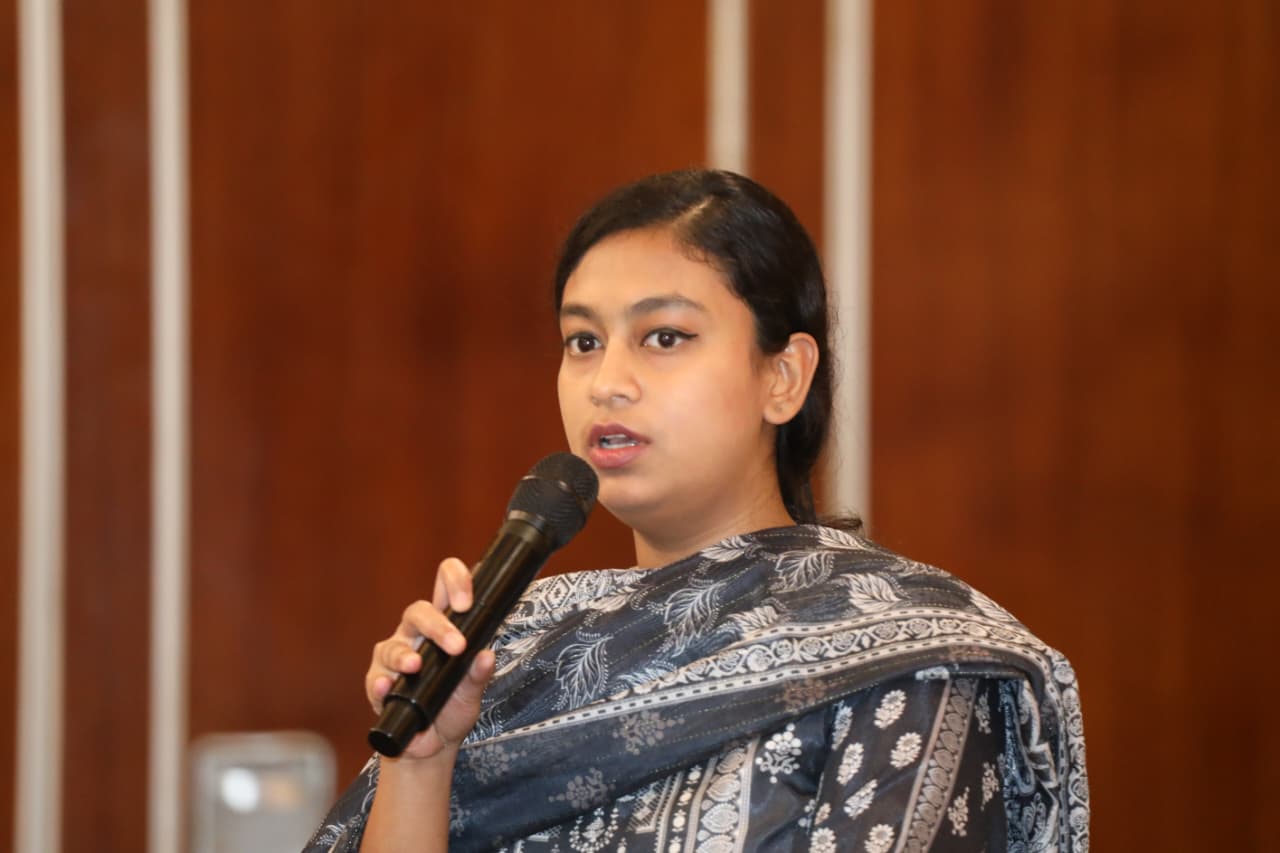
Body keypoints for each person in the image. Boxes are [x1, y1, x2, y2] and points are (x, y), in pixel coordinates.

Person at [305, 169, 1089, 852]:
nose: (607, 382)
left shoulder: (912, 661)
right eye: (583, 341)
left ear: (783, 376)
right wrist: (424, 761)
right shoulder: (507, 645)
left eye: (665, 336)